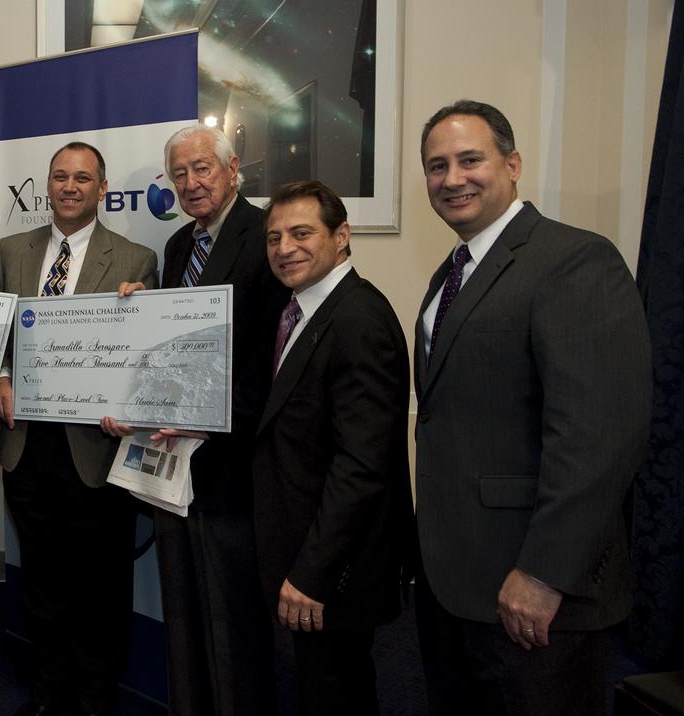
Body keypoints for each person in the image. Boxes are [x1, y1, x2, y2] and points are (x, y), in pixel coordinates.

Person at [414, 99, 652, 715]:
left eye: (471, 159)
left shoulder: (574, 259)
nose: (452, 178)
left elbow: (599, 436)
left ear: (513, 164)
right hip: (456, 583)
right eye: (436, 166)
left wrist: (544, 574)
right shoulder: (452, 272)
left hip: (533, 590)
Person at [106, 124, 285, 715]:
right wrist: (143, 311)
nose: (191, 182)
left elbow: (274, 359)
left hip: (231, 466)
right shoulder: (180, 246)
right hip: (172, 464)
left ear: (233, 168)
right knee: (184, 614)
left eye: (202, 168)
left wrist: (215, 419)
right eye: (179, 173)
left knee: (233, 626)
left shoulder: (267, 237)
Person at [0, 141, 158, 716]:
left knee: (101, 584)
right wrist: (1, 378)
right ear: (47, 184)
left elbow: (141, 354)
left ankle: (94, 698)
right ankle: (49, 692)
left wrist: (140, 311)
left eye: (82, 178)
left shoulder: (135, 260)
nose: (69, 187)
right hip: (25, 445)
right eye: (60, 177)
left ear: (101, 189)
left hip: (93, 447)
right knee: (42, 580)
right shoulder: (9, 250)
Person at [256, 180, 411, 714]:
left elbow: (362, 466)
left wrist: (311, 573)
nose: (284, 249)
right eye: (274, 237)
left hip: (333, 568)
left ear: (341, 236)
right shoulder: (301, 309)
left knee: (336, 690)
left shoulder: (358, 318)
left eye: (302, 233)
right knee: (321, 682)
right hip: (307, 548)